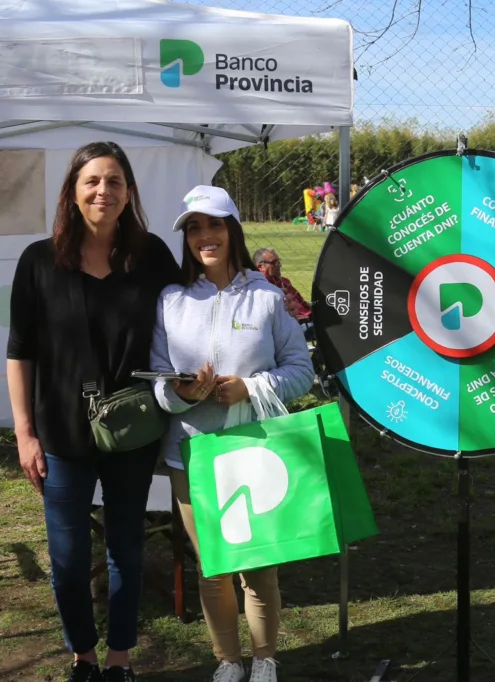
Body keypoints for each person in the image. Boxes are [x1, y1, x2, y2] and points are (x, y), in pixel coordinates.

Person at [8, 141, 181, 682]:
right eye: (92, 181)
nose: (103, 190)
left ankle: (119, 660)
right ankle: (82, 656)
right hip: (61, 434)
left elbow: (188, 321)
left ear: (129, 193)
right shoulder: (39, 261)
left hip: (133, 432)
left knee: (126, 548)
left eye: (114, 181)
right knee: (66, 559)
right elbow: (20, 352)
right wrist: (24, 433)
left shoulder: (151, 256)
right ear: (73, 192)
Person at [150, 186, 315, 682]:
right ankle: (228, 662)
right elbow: (157, 384)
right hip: (191, 456)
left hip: (255, 450)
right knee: (213, 566)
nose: (205, 236)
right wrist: (183, 394)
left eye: (214, 225)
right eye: (194, 228)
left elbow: (301, 372)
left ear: (233, 231)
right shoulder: (171, 300)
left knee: (259, 566)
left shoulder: (267, 297)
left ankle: (265, 659)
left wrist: (250, 388)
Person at [253, 247, 312, 322]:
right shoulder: (263, 287)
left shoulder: (284, 281)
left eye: (278, 261)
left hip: (310, 318)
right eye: (274, 262)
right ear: (260, 267)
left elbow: (303, 303)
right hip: (297, 322)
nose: (279, 265)